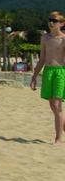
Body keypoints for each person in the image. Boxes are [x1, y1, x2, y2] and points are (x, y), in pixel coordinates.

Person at [30, 11, 65, 144]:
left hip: (60, 72)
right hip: (48, 72)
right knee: (53, 106)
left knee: (57, 105)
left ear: (61, 23)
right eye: (50, 20)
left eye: (54, 21)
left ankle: (59, 138)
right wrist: (34, 76)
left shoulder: (63, 39)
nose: (51, 22)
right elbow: (42, 59)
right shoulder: (45, 38)